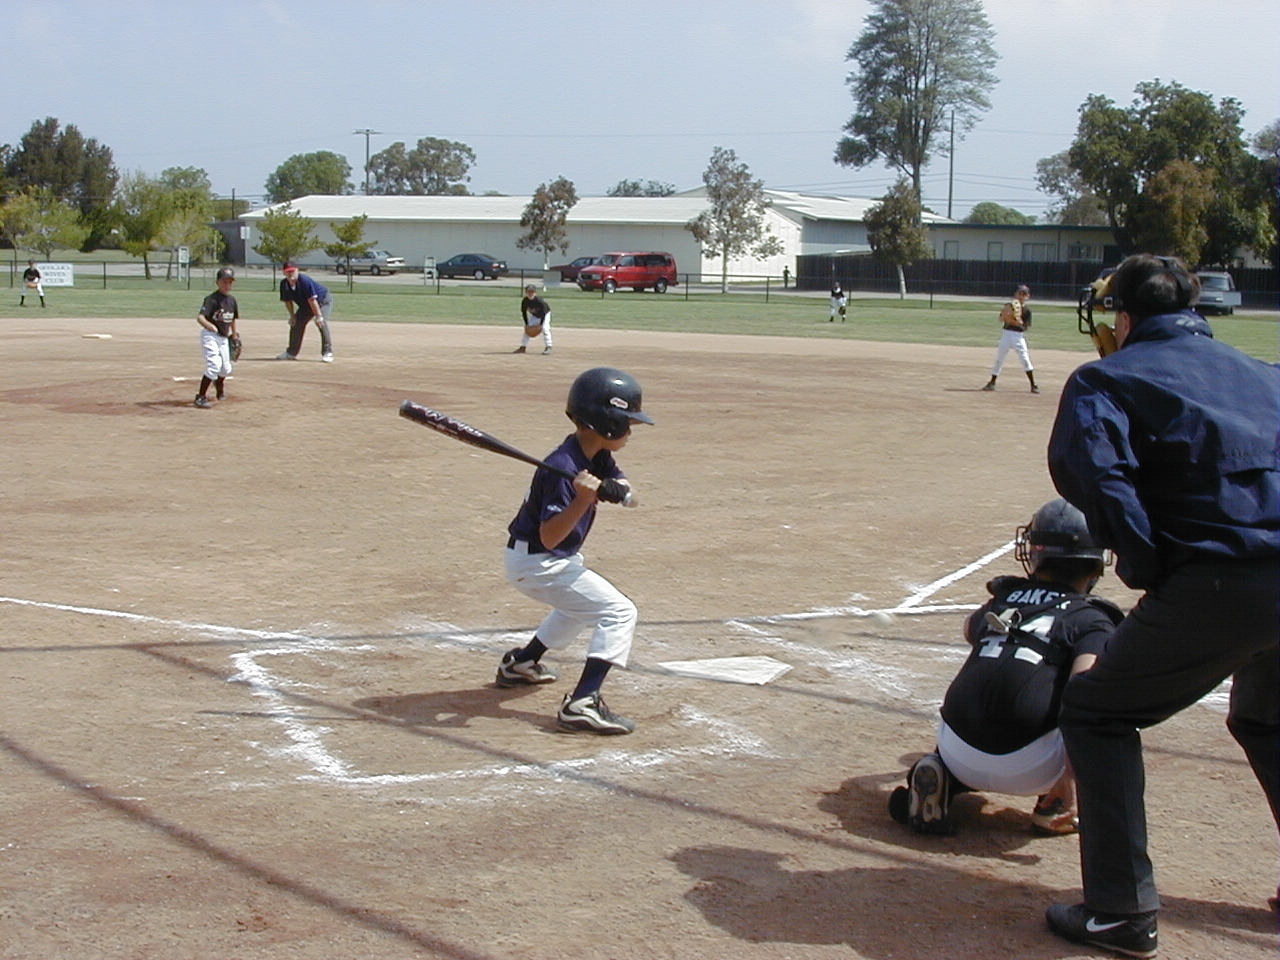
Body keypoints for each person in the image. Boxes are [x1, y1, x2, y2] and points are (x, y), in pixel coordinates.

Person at [1044, 253, 1279, 958]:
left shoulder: (1106, 378)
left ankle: (1121, 912)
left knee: (1098, 712)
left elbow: (1098, 477)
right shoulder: (1266, 373)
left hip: (1225, 579)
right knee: (1268, 719)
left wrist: (1149, 565)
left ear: (1123, 317)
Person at [888, 499, 1122, 837]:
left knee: (998, 671)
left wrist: (1012, 606)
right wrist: (1074, 776)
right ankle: (1054, 803)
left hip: (956, 748)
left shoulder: (1003, 601)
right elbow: (1087, 696)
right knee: (1098, 700)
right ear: (1096, 564)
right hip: (1032, 769)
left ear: (1035, 555)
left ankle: (945, 775)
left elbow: (970, 631)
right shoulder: (1092, 619)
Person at [495, 367, 654, 735]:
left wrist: (616, 490)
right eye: (626, 423)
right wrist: (582, 499)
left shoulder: (594, 453)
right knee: (619, 611)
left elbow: (629, 493)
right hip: (538, 562)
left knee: (578, 607)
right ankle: (583, 702)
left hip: (547, 559)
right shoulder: (562, 467)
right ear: (607, 423)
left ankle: (521, 664)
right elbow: (550, 537)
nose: (630, 431)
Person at [194, 267, 239, 408]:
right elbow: (200, 317)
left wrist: (234, 335)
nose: (227, 285)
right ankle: (200, 397)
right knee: (214, 365)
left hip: (223, 337)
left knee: (226, 369)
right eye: (224, 282)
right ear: (217, 282)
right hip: (210, 336)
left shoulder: (232, 301)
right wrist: (208, 325)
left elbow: (233, 319)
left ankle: (219, 387)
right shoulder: (211, 299)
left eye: (230, 282)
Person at [982, 285, 1039, 393]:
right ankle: (992, 383)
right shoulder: (1009, 306)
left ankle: (1033, 385)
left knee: (1025, 359)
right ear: (1016, 294)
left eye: (1024, 294)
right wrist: (1006, 315)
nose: (1021, 296)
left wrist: (1016, 320)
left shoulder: (1027, 311)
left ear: (1027, 296)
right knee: (999, 359)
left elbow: (1026, 327)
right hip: (1006, 335)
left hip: (1018, 337)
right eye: (1020, 293)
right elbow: (1000, 319)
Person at [276, 262, 333, 362]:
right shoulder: (284, 284)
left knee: (321, 323)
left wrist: (319, 316)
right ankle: (291, 353)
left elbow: (312, 300)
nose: (290, 274)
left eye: (292, 271)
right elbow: (288, 301)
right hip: (306, 305)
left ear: (297, 270)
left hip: (322, 301)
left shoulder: (305, 281)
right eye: (288, 272)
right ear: (284, 273)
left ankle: (328, 352)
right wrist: (292, 316)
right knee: (296, 323)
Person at [514, 283, 553, 354]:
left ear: (535, 293)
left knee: (545, 328)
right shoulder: (525, 301)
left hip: (545, 314)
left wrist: (540, 324)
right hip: (535, 315)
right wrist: (526, 324)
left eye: (532, 292)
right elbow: (524, 313)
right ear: (526, 293)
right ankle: (523, 347)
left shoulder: (540, 301)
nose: (530, 293)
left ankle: (549, 346)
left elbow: (544, 313)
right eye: (529, 292)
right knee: (527, 329)